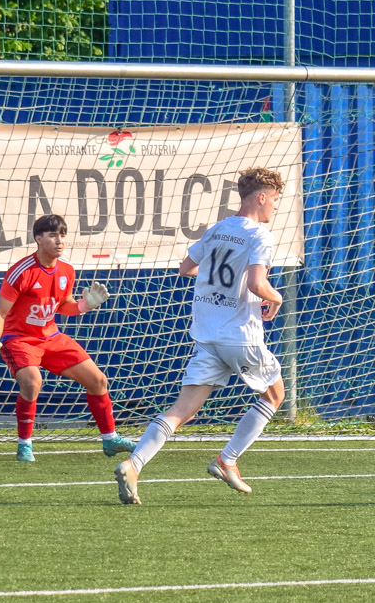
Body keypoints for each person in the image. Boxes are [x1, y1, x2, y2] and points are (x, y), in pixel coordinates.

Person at [114, 167, 287, 505]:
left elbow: (186, 268)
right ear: (261, 197)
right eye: (275, 199)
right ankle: (227, 460)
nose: (276, 206)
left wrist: (216, 279)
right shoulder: (260, 236)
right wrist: (276, 297)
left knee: (182, 410)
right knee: (274, 395)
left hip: (207, 335)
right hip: (239, 335)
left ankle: (133, 465)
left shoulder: (218, 229)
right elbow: (257, 284)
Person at [0, 214, 128, 462]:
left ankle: (110, 439)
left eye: (63, 235)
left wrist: (85, 306)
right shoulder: (21, 272)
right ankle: (24, 445)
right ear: (38, 239)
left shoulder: (67, 269)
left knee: (98, 380)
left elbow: (64, 305)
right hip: (19, 339)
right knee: (32, 382)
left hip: (51, 336)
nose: (60, 241)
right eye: (53, 235)